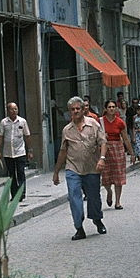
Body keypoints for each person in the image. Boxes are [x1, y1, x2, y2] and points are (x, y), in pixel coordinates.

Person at [52, 97, 107, 240]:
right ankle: (79, 227)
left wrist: (102, 159)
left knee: (94, 197)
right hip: (73, 168)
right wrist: (56, 172)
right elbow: (63, 151)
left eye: (78, 108)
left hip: (92, 168)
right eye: (72, 109)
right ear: (69, 111)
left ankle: (97, 219)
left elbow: (103, 142)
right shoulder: (67, 130)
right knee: (74, 196)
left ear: (83, 110)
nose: (75, 111)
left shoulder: (93, 124)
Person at [100, 100, 133, 209]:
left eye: (113, 107)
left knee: (118, 176)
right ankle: (109, 192)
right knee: (105, 175)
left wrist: (132, 153)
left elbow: (125, 138)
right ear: (105, 109)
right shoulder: (100, 122)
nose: (111, 109)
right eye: (109, 107)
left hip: (117, 149)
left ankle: (118, 201)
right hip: (105, 149)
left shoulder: (120, 122)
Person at [0, 102, 31, 201]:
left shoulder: (22, 121)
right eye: (12, 109)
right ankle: (14, 194)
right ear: (8, 110)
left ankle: (22, 193)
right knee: (11, 174)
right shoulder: (4, 122)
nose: (14, 111)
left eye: (16, 109)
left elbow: (27, 136)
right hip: (8, 153)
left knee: (20, 172)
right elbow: (0, 137)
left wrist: (30, 150)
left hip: (20, 152)